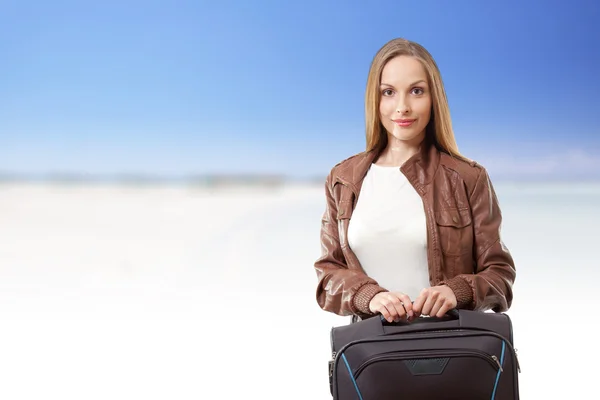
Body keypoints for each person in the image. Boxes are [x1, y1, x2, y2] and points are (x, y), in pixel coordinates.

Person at [314, 38, 516, 324]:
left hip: (452, 351)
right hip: (374, 354)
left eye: (416, 91)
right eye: (388, 92)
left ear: (435, 98)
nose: (402, 107)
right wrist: (368, 296)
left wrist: (456, 291)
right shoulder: (343, 180)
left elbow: (500, 276)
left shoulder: (468, 178)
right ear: (375, 99)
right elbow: (327, 277)